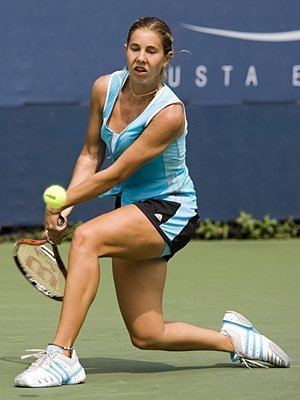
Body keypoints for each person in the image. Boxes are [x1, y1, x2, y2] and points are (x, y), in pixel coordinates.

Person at [14, 17, 291, 387]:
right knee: (147, 334)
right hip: (133, 209)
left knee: (88, 238)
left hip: (170, 209)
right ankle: (236, 340)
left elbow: (117, 173)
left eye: (151, 51)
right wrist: (64, 209)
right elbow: (90, 154)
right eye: (135, 48)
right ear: (124, 51)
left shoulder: (169, 113)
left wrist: (59, 203)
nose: (141, 58)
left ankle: (62, 355)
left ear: (166, 59)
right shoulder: (104, 89)